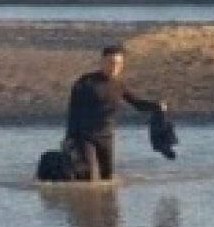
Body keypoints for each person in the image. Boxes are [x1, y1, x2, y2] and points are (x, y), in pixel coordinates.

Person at [65, 44, 167, 181]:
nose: (115, 67)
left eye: (119, 64)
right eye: (111, 62)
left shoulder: (119, 84)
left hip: (106, 136)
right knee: (87, 177)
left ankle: (108, 202)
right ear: (102, 62)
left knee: (108, 178)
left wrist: (156, 106)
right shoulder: (85, 83)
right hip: (84, 136)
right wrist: (69, 137)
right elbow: (73, 111)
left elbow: (137, 104)